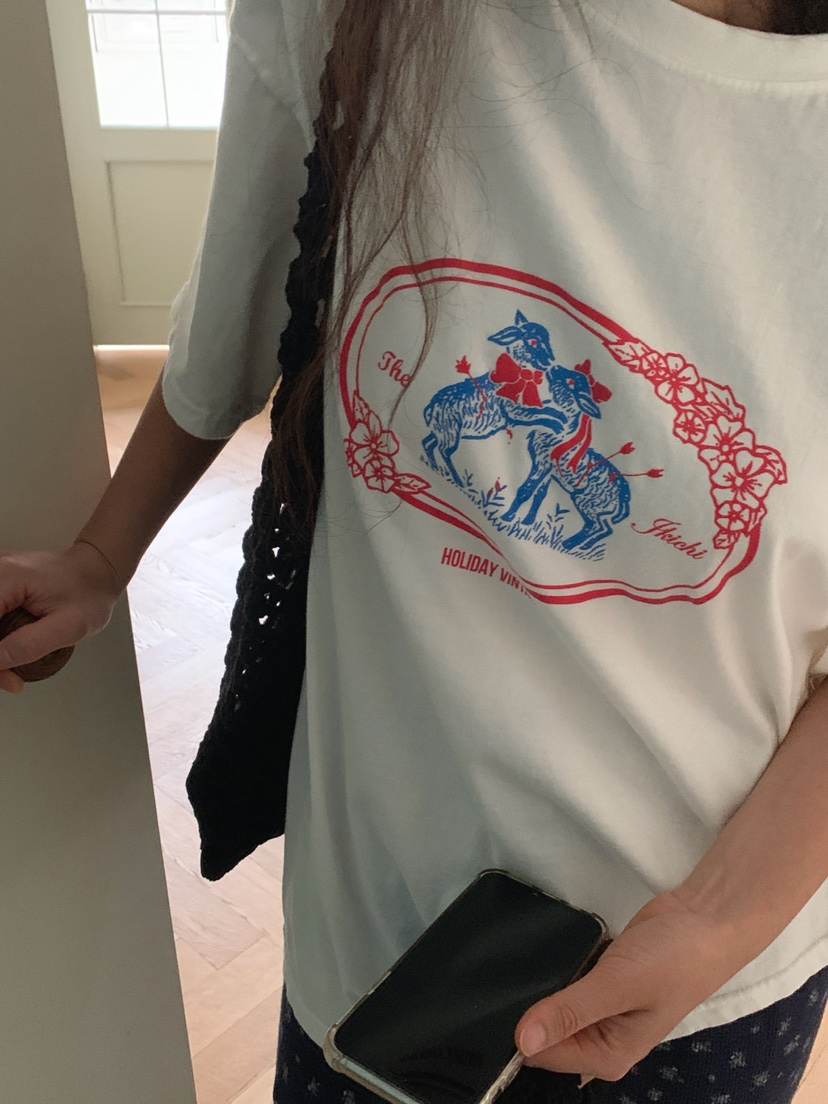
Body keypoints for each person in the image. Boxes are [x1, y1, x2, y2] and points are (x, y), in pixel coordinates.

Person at [3, 0, 828, 1100]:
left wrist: (717, 921)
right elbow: (231, 325)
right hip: (375, 948)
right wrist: (103, 557)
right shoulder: (356, 17)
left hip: (708, 987)